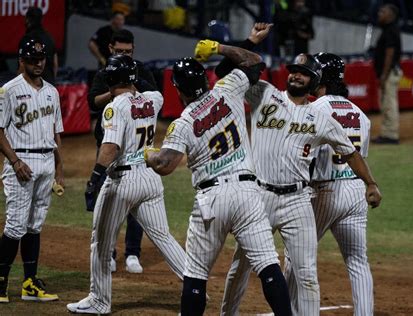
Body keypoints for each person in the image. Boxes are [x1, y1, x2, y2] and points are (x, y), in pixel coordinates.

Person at [216, 24, 382, 316]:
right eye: (293, 70)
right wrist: (249, 42)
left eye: (303, 72)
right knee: (241, 264)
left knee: (306, 274)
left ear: (314, 80)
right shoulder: (264, 93)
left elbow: (350, 152)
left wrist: (370, 182)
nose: (295, 74)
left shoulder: (321, 117)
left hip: (298, 202)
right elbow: (225, 73)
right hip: (260, 198)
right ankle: (227, 313)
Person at [145, 41, 292, 315]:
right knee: (268, 266)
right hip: (248, 193)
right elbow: (254, 60)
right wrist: (218, 47)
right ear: (204, 78)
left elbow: (165, 165)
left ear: (177, 89)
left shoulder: (183, 122)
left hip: (212, 200)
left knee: (196, 274)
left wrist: (148, 155)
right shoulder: (228, 88)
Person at [66, 55, 186, 314]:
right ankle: (195, 288)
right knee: (164, 237)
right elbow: (148, 86)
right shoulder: (153, 99)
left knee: (101, 241)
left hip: (122, 180)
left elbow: (110, 147)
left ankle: (99, 301)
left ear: (111, 79)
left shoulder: (114, 106)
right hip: (150, 178)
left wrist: (95, 178)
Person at [284, 52, 375, 315]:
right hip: (356, 190)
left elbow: (303, 157)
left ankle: (288, 310)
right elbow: (359, 157)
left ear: (320, 76)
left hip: (325, 191)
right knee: (358, 261)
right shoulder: (360, 114)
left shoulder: (315, 110)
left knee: (295, 254)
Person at [0, 38, 64, 303]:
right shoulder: (9, 90)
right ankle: (0, 283)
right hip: (21, 163)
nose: (39, 63)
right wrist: (15, 162)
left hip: (46, 161)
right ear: (21, 60)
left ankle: (29, 284)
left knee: (34, 226)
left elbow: (55, 133)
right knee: (15, 225)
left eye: (42, 59)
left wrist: (59, 168)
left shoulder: (52, 91)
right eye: (33, 59)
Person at [87, 29, 156, 274]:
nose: (124, 54)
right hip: (107, 146)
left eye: (128, 51)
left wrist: (129, 87)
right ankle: (109, 253)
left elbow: (152, 98)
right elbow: (92, 102)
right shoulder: (106, 72)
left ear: (133, 49)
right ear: (110, 48)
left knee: (134, 206)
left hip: (135, 150)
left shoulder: (142, 71)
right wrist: (114, 92)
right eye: (119, 51)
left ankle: (133, 253)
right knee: (108, 204)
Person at [371, 4, 402, 144]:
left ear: (391, 15)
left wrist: (384, 74)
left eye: (383, 11)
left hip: (389, 73)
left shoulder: (390, 30)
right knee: (386, 103)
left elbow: (390, 53)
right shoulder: (388, 29)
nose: (379, 13)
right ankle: (387, 133)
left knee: (389, 103)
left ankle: (391, 135)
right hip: (388, 72)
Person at [18, 7, 58, 84]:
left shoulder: (26, 39)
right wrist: (51, 82)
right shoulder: (49, 38)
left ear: (27, 19)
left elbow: (22, 67)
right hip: (48, 84)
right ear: (41, 20)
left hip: (29, 87)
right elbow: (55, 64)